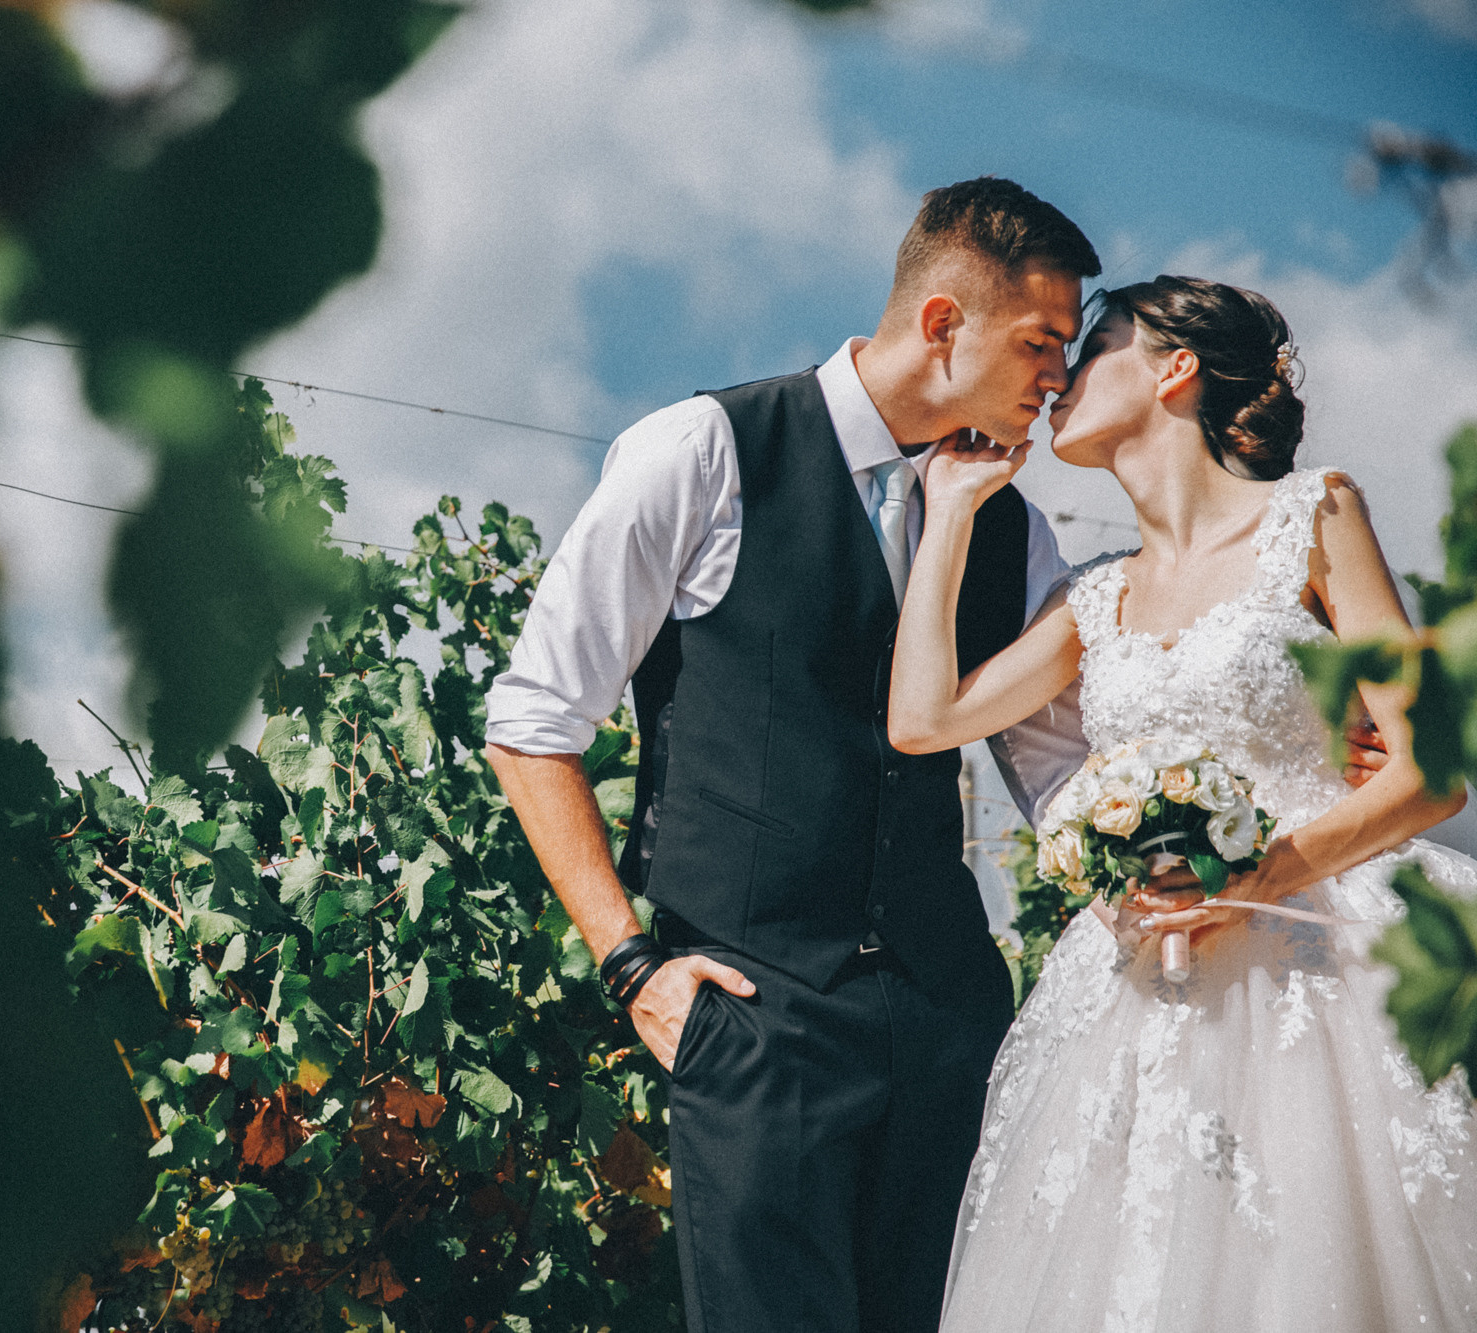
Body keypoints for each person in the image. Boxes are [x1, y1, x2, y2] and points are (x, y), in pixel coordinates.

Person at [485, 178, 1103, 1333]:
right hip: (751, 1012)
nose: (1057, 378)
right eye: (1039, 341)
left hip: (943, 1024)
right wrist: (630, 965)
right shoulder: (701, 452)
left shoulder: (1013, 529)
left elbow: (1062, 774)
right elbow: (532, 722)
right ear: (940, 324)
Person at [887, 274, 1477, 1330]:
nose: (1060, 376)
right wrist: (949, 513)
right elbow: (924, 718)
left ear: (1174, 367)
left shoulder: (1315, 513)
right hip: (1137, 989)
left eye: (1094, 344)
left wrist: (1261, 875)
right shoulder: (1094, 596)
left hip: (1316, 965)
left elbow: (1430, 771)